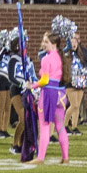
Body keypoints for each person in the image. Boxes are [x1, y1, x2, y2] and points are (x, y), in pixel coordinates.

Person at [30, 31, 71, 164]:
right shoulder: (60, 58)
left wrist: (32, 85)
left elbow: (45, 80)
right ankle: (65, 157)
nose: (43, 44)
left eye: (46, 42)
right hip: (61, 94)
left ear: (54, 44)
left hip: (48, 94)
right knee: (60, 126)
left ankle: (40, 158)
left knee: (44, 126)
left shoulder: (46, 59)